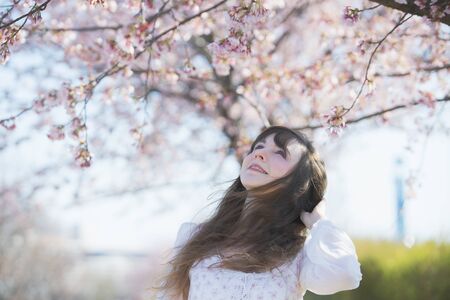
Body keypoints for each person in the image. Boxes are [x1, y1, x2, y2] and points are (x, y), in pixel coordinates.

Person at [154, 126, 362, 300]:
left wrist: (318, 222)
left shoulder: (299, 254)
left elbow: (344, 274)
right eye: (258, 147)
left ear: (299, 183)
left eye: (280, 153)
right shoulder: (194, 236)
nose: (258, 154)